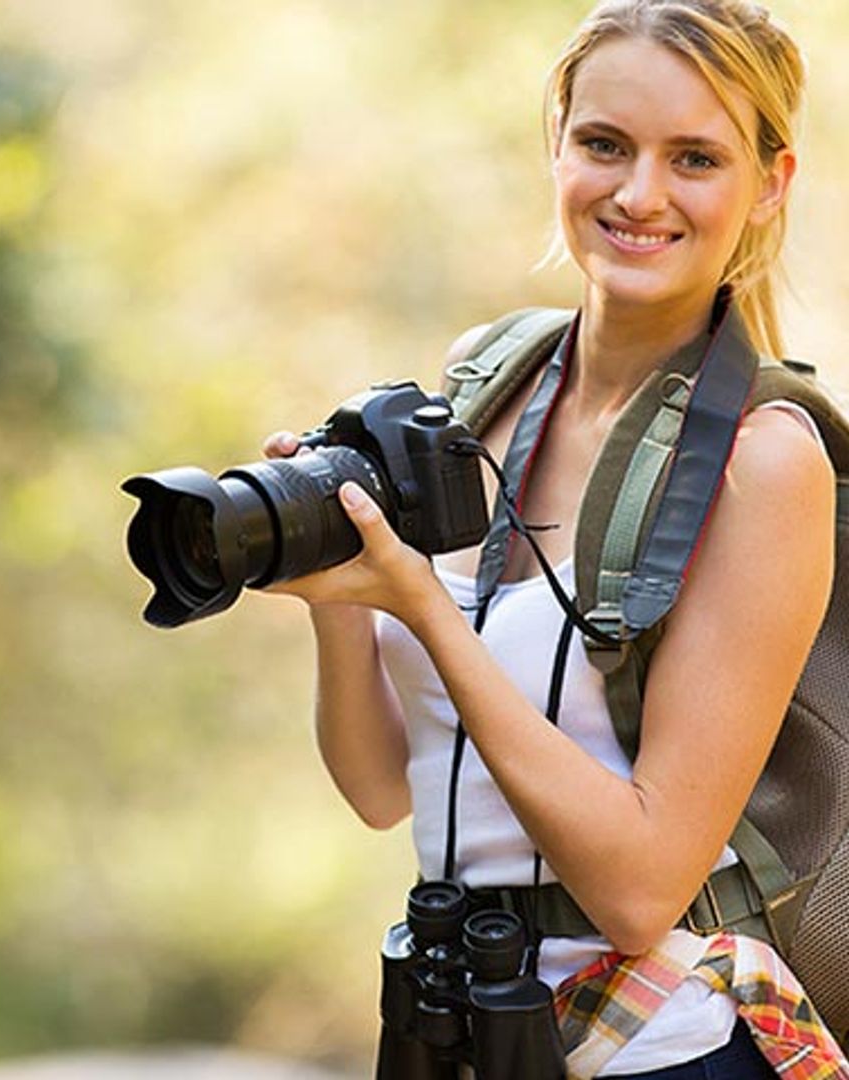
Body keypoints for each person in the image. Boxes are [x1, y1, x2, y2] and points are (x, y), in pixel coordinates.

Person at [264, 1, 846, 1076]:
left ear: (770, 184)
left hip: (667, 1046)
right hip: (465, 1022)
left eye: (696, 158)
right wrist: (338, 597)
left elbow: (638, 889)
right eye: (605, 144)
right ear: (558, 144)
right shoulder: (487, 384)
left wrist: (424, 607)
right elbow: (382, 785)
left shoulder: (763, 462)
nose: (638, 194)